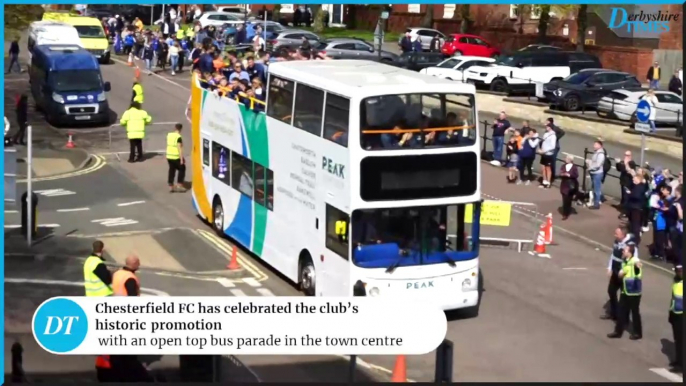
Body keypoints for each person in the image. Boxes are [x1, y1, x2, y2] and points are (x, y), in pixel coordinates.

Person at [607, 244, 643, 340]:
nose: (623, 251)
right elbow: (621, 273)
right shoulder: (625, 261)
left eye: (625, 250)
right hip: (626, 290)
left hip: (634, 292)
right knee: (622, 310)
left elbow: (637, 265)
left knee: (635, 312)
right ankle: (618, 331)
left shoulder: (634, 260)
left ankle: (637, 333)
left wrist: (636, 266)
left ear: (630, 253)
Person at [602, 227, 637, 321]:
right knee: (611, 291)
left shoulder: (630, 245)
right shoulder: (617, 242)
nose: (615, 235)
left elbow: (634, 260)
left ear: (623, 235)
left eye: (617, 234)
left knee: (624, 296)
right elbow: (613, 255)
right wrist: (609, 267)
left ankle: (624, 317)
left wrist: (624, 270)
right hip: (615, 270)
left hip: (624, 274)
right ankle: (614, 313)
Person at [626, 174, 649, 245]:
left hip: (637, 208)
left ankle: (636, 240)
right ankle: (633, 238)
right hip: (634, 207)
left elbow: (637, 196)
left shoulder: (640, 187)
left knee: (635, 225)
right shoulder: (637, 186)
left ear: (638, 180)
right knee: (633, 224)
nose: (633, 180)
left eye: (634, 179)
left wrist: (630, 194)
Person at [669, 265, 683, 371]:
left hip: (682, 316)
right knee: (678, 339)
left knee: (681, 340)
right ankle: (678, 360)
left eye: (679, 271)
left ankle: (681, 365)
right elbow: (673, 298)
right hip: (676, 313)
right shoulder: (676, 281)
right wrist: (671, 313)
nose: (677, 273)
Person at [616, 151, 637, 219]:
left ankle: (625, 212)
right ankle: (623, 207)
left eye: (627, 155)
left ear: (630, 156)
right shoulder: (624, 162)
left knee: (626, 197)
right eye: (625, 155)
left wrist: (624, 164)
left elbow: (626, 170)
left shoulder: (632, 163)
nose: (626, 156)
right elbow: (619, 169)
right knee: (623, 196)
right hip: (623, 181)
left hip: (628, 183)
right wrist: (618, 163)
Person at [166, 123, 187, 193]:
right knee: (182, 168)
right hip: (175, 156)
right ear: (180, 129)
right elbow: (179, 148)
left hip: (169, 155)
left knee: (172, 169)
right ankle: (179, 184)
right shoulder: (178, 137)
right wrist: (181, 159)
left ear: (175, 128)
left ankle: (171, 185)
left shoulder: (169, 135)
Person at [586, 140, 606, 210]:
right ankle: (594, 202)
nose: (594, 146)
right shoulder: (596, 153)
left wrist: (590, 167)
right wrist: (590, 162)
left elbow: (598, 164)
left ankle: (596, 204)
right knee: (594, 188)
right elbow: (594, 162)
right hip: (594, 172)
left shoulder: (600, 154)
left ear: (600, 146)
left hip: (597, 173)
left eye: (595, 145)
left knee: (597, 189)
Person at [537, 122, 557, 188]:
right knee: (543, 167)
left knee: (548, 168)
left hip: (548, 154)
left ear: (550, 127)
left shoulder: (553, 136)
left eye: (547, 126)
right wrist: (541, 149)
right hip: (543, 153)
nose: (546, 127)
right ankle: (544, 181)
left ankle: (548, 182)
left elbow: (553, 146)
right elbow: (543, 142)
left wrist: (544, 151)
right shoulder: (545, 134)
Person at [559, 155, 579, 220]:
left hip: (571, 185)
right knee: (565, 199)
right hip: (564, 184)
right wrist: (562, 174)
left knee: (569, 199)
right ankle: (565, 214)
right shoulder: (563, 166)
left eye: (567, 158)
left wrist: (569, 175)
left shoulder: (574, 167)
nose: (565, 159)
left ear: (570, 160)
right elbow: (560, 173)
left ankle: (567, 210)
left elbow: (576, 175)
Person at [546, 118, 565, 182]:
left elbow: (562, 132)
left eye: (547, 121)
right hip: (549, 147)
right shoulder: (548, 128)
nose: (546, 123)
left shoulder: (555, 128)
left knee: (552, 161)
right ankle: (549, 174)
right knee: (549, 161)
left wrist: (556, 137)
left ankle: (552, 175)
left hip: (555, 147)